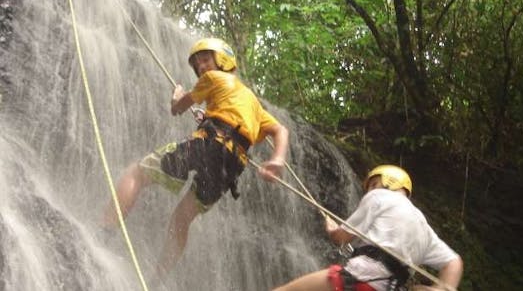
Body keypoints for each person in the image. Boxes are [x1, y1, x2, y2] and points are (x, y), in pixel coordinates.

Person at [102, 37, 289, 279]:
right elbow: (280, 130)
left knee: (136, 173)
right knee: (183, 217)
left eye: (205, 59)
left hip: (207, 145)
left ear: (223, 60)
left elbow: (178, 107)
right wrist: (278, 159)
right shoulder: (252, 102)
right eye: (197, 64)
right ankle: (157, 280)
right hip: (232, 165)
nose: (201, 66)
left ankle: (104, 234)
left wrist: (177, 95)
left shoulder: (214, 78)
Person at [273, 165, 463, 291]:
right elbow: (454, 262)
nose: (370, 190)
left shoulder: (379, 196)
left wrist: (332, 229)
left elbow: (341, 238)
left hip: (358, 278)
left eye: (373, 184)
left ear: (390, 181)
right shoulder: (424, 227)